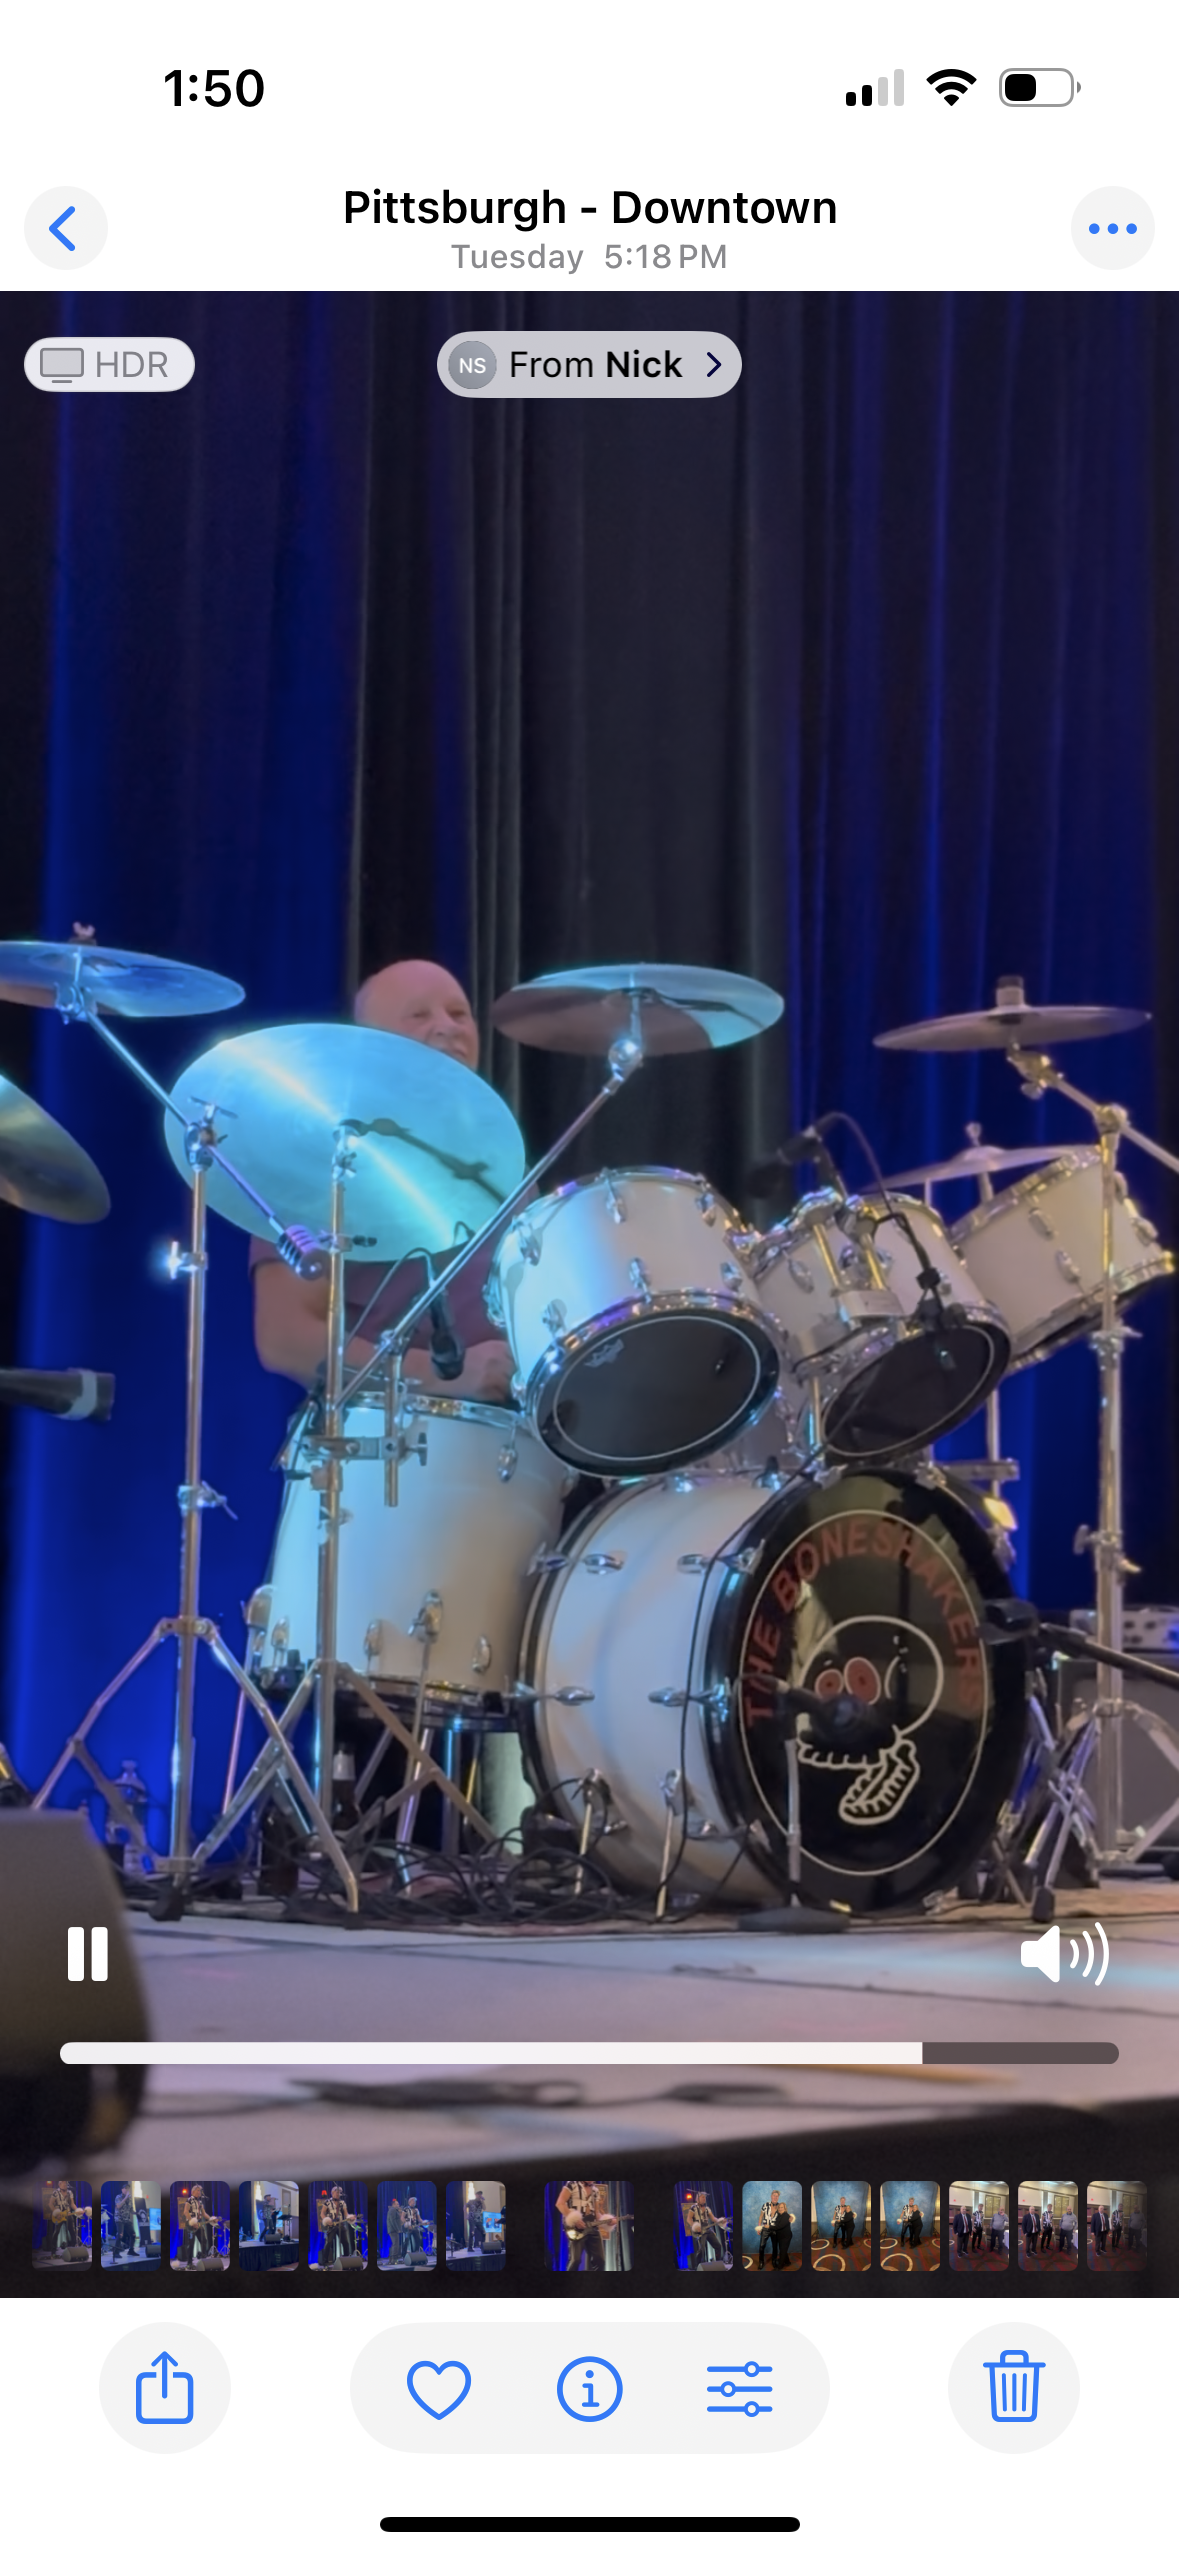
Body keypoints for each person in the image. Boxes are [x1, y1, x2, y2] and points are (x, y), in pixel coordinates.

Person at [251, 961, 516, 1403]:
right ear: (367, 1047)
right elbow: (286, 1339)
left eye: (459, 1014)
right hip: (383, 1431)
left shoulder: (505, 1162)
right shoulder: (322, 1161)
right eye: (419, 1015)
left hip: (515, 1434)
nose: (446, 1027)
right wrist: (440, 1375)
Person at [557, 2180, 608, 2274]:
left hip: (592, 2227)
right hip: (576, 2228)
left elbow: (596, 2213)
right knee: (575, 2260)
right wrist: (575, 2220)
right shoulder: (572, 2184)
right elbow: (560, 2203)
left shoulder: (595, 2190)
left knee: (600, 2260)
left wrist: (607, 2220)